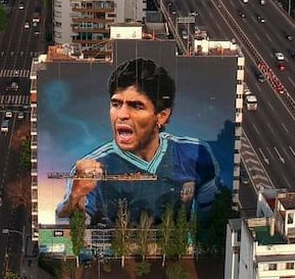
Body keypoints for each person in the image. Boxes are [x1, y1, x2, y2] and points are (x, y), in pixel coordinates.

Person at [55, 58, 222, 226]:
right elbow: (67, 231)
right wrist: (74, 197)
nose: (122, 115)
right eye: (116, 104)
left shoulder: (196, 154)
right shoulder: (91, 169)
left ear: (162, 116)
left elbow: (215, 219)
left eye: (136, 106)